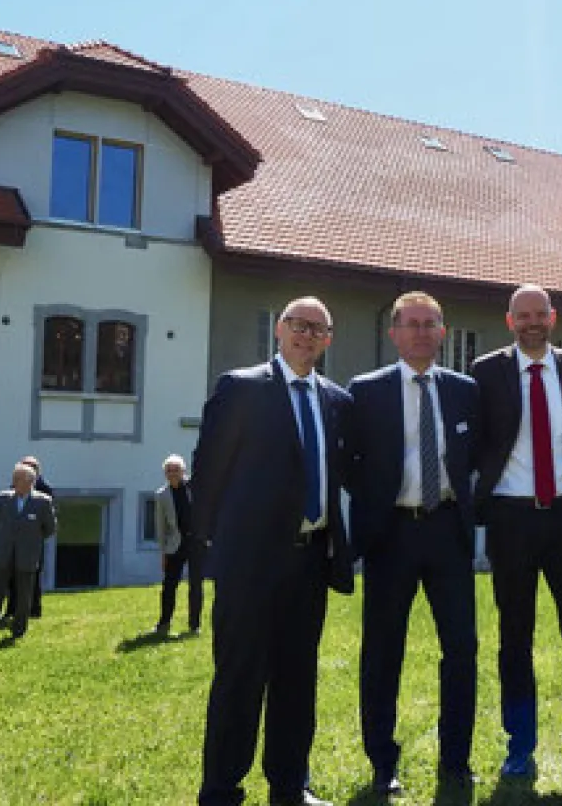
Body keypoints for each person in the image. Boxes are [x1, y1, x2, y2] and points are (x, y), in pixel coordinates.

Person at [195, 296, 354, 806]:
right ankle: (221, 789)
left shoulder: (336, 400)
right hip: (249, 564)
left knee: (296, 679)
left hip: (309, 561)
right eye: (298, 325)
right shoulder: (240, 389)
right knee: (240, 677)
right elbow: (208, 477)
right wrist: (212, 555)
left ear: (328, 340)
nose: (307, 335)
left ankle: (289, 785)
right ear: (279, 330)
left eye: (318, 329)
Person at [468, 284, 562, 780]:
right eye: (522, 315)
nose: (532, 322)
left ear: (554, 318)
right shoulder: (485, 372)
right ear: (510, 322)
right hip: (511, 519)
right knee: (515, 636)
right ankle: (520, 744)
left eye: (540, 314)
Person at [347, 292, 480, 797]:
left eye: (431, 324)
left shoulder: (466, 391)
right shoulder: (366, 391)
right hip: (391, 533)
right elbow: (348, 460)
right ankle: (382, 761)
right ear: (394, 333)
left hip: (448, 529)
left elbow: (475, 453)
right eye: (412, 324)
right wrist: (375, 499)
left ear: (443, 332)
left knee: (461, 649)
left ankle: (456, 759)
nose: (422, 332)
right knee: (382, 652)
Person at [0, 461, 58, 645]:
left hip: (27, 556)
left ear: (30, 481)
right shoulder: (3, 498)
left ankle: (18, 630)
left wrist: (32, 538)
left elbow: (50, 529)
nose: (14, 482)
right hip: (2, 555)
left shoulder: (43, 502)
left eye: (18, 479)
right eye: (14, 478)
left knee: (23, 596)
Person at [152, 453, 204, 635]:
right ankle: (164, 623)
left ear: (183, 471)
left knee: (196, 585)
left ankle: (194, 625)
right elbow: (161, 526)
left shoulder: (195, 488)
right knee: (169, 585)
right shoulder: (162, 495)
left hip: (196, 543)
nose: (172, 474)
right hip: (175, 545)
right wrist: (163, 552)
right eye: (169, 471)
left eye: (176, 470)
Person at [2, 455, 53, 620]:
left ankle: (34, 609)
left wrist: (38, 535)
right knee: (12, 576)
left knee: (33, 575)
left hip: (33, 542)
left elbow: (48, 521)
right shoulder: (12, 490)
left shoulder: (45, 490)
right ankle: (11, 609)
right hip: (13, 541)